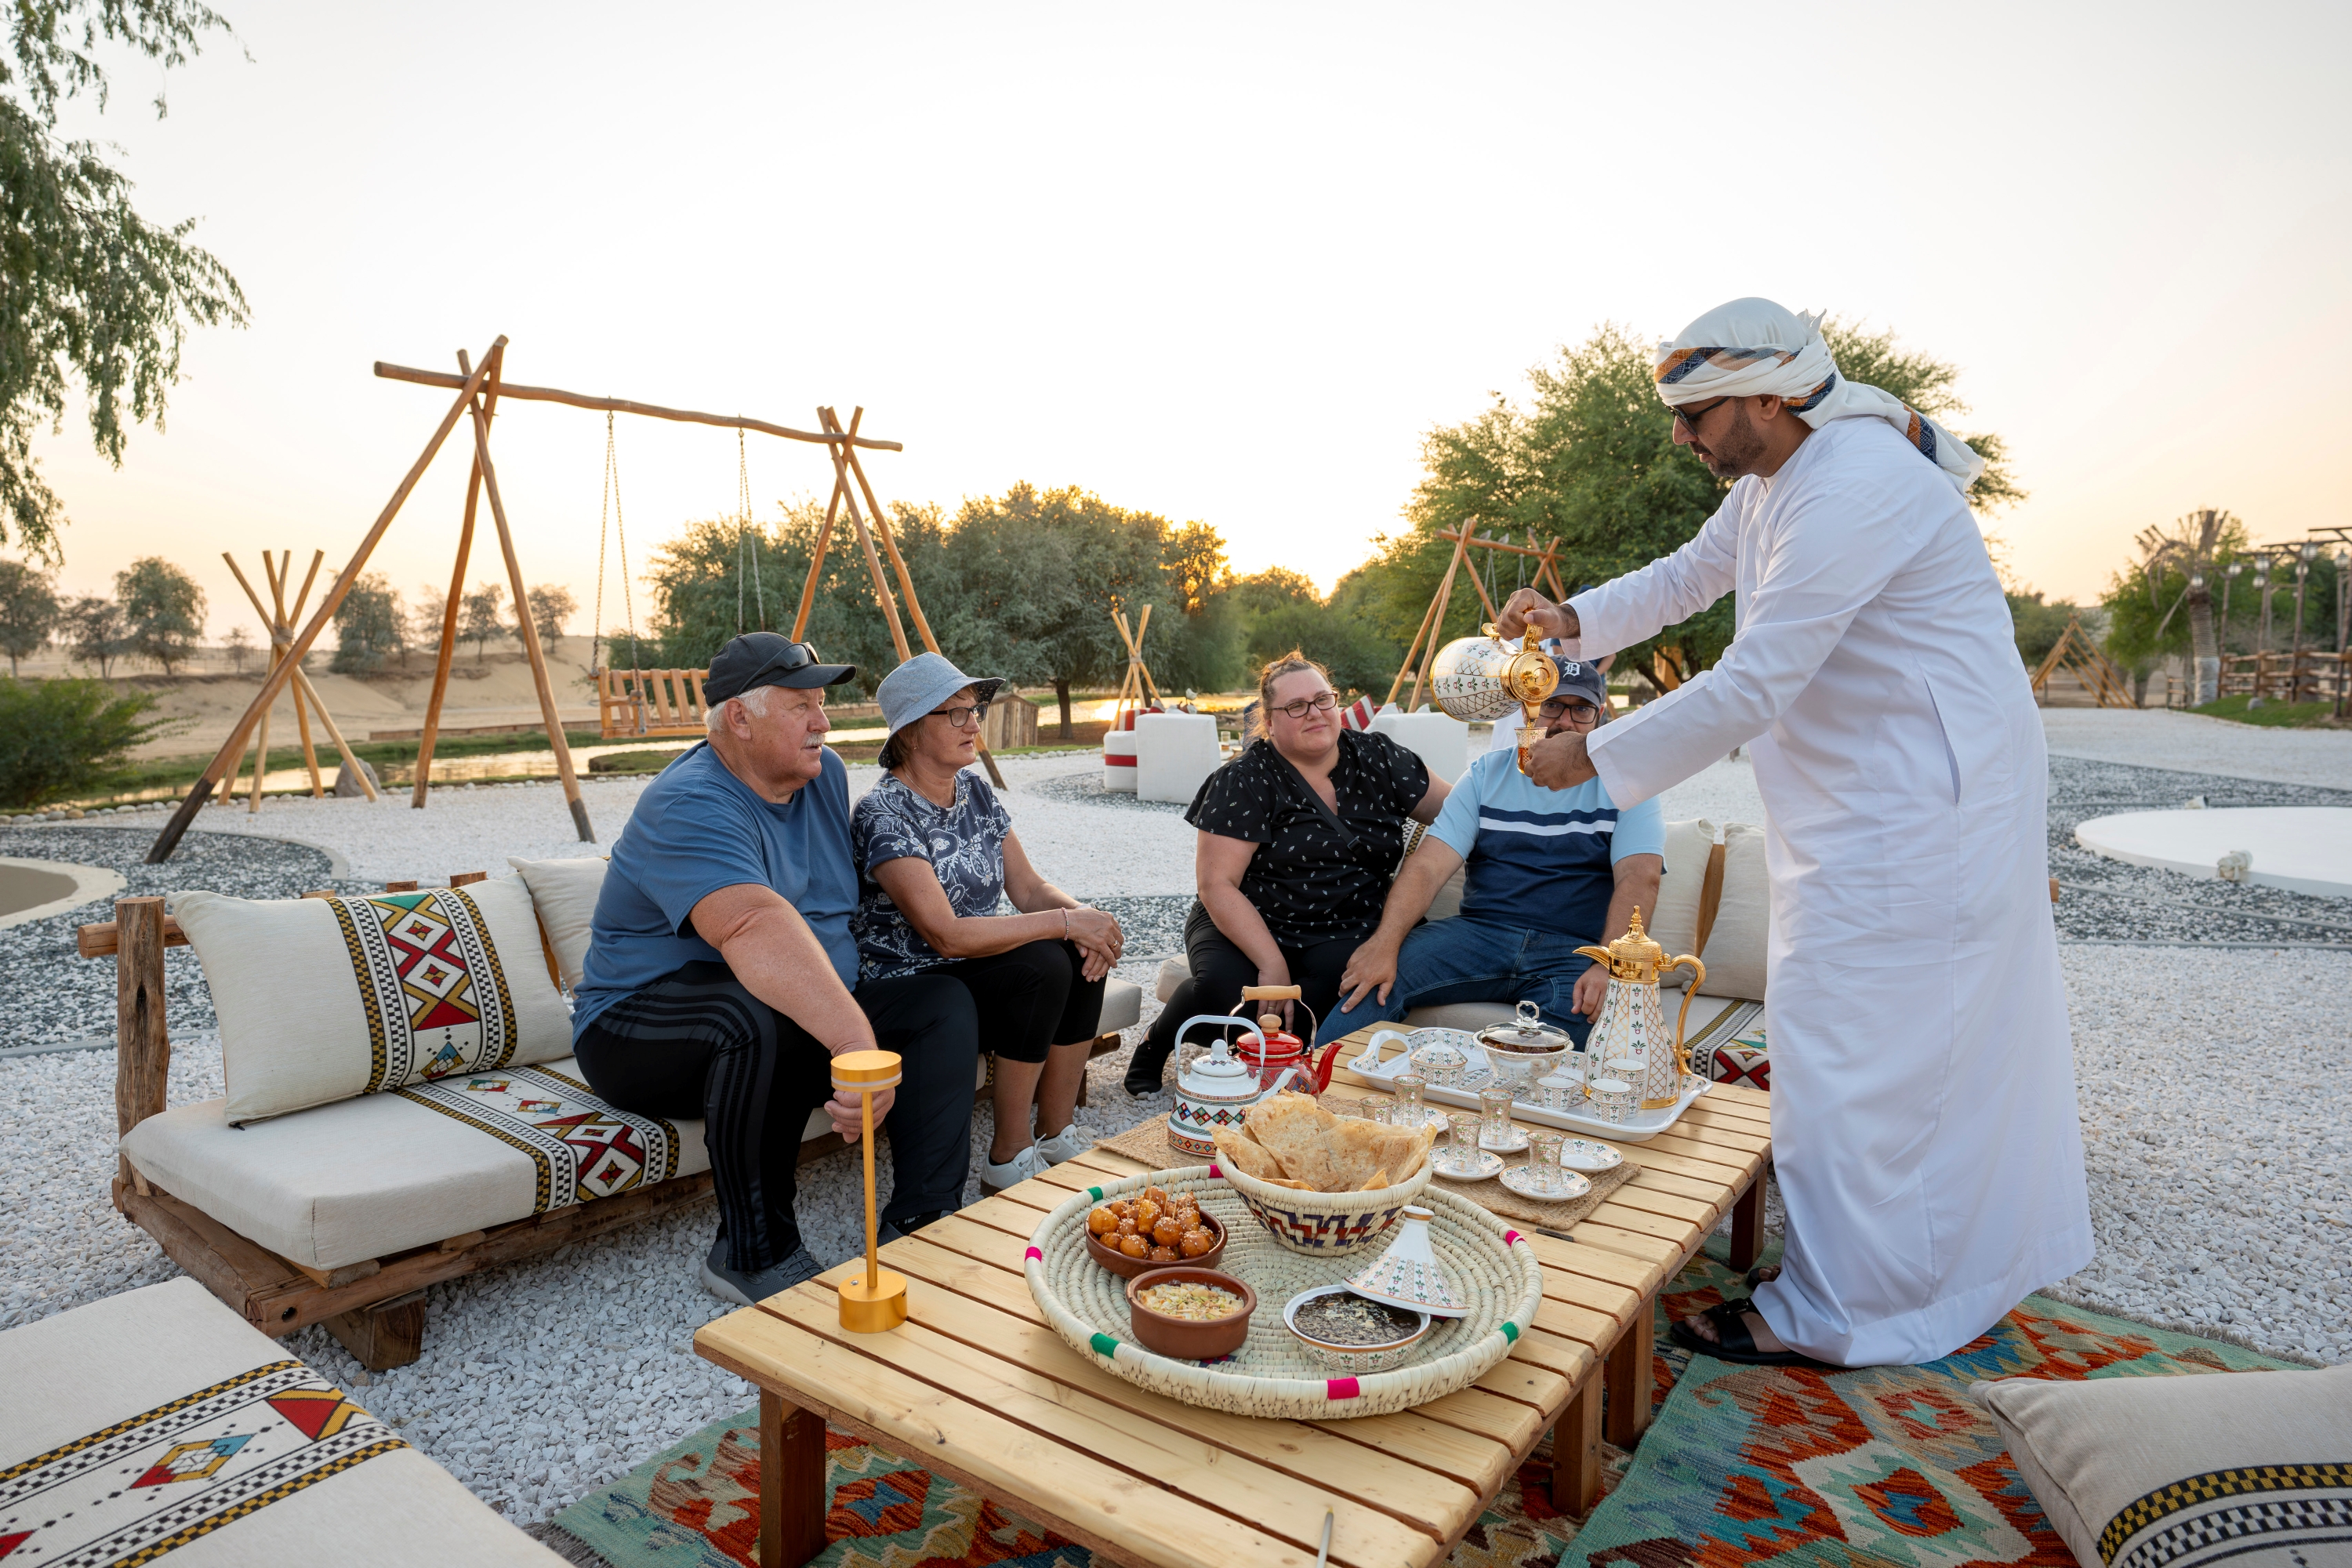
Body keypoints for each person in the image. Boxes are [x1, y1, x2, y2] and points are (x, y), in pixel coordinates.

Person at [1494, 297, 2091, 1368]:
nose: (1681, 438)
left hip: (1922, 813)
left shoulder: (1859, 482)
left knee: (1862, 1057)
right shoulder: (1780, 480)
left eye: (1697, 415)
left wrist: (1588, 758)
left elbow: (1757, 678)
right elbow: (1686, 578)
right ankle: (1901, 1277)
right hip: (1867, 809)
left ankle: (1843, 1312)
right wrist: (1569, 618)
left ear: (1770, 396)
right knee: (1869, 1050)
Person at [571, 633, 981, 1307]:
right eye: (802, 707)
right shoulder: (690, 802)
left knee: (939, 1003)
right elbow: (752, 927)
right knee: (754, 1011)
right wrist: (854, 1045)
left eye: (822, 704)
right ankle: (752, 1250)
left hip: (782, 1011)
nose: (823, 722)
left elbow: (828, 915)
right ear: (740, 718)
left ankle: (925, 1217)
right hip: (635, 1028)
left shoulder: (821, 777)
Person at [851, 652, 1126, 1194]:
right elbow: (944, 933)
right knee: (1047, 959)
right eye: (955, 714)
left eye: (974, 710)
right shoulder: (884, 813)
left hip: (974, 967)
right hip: (914, 982)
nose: (974, 723)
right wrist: (1065, 925)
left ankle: (1055, 1132)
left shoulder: (974, 790)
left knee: (1076, 951)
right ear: (908, 732)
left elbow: (1026, 888)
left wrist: (1088, 921)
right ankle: (1008, 1155)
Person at [1124, 652, 1451, 1094]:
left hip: (1347, 922)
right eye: (1297, 706)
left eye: (1323, 700)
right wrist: (1270, 962)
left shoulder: (1378, 758)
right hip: (1248, 915)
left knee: (1328, 1004)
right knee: (1229, 994)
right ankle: (1158, 1038)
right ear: (1270, 720)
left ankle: (1280, 1064)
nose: (1315, 713)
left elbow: (1459, 814)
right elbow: (1216, 884)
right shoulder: (1243, 779)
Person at [1319, 658, 1664, 1045]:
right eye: (1550, 705)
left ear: (1599, 716)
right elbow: (1429, 866)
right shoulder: (1487, 773)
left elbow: (1640, 877)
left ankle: (1500, 1104)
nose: (1564, 721)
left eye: (1580, 709)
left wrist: (1610, 963)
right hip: (1479, 937)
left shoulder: (1628, 784)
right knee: (1373, 979)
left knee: (1576, 1033)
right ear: (1526, 708)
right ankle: (1311, 1088)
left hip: (1572, 949)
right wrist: (1385, 943)